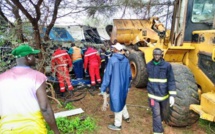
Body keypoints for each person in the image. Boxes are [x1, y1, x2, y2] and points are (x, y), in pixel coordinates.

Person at [0, 44, 60, 133]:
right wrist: (56, 131)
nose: (35, 58)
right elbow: (45, 108)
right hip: (33, 128)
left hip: (7, 129)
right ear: (28, 57)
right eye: (33, 56)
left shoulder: (2, 78)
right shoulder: (37, 76)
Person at [100, 43, 132, 131]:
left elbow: (107, 75)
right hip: (124, 85)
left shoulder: (113, 60)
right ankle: (126, 116)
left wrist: (103, 88)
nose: (112, 49)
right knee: (122, 100)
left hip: (115, 85)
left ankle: (117, 124)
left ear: (116, 50)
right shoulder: (125, 60)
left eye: (113, 48)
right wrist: (128, 85)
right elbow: (129, 75)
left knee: (116, 102)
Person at [146, 48, 176, 134]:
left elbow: (171, 80)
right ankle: (158, 131)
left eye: (158, 55)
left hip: (164, 96)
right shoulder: (148, 65)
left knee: (163, 113)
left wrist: (172, 95)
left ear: (161, 55)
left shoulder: (167, 66)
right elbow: (147, 79)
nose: (156, 56)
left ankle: (160, 123)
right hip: (152, 96)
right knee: (156, 114)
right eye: (155, 55)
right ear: (153, 55)